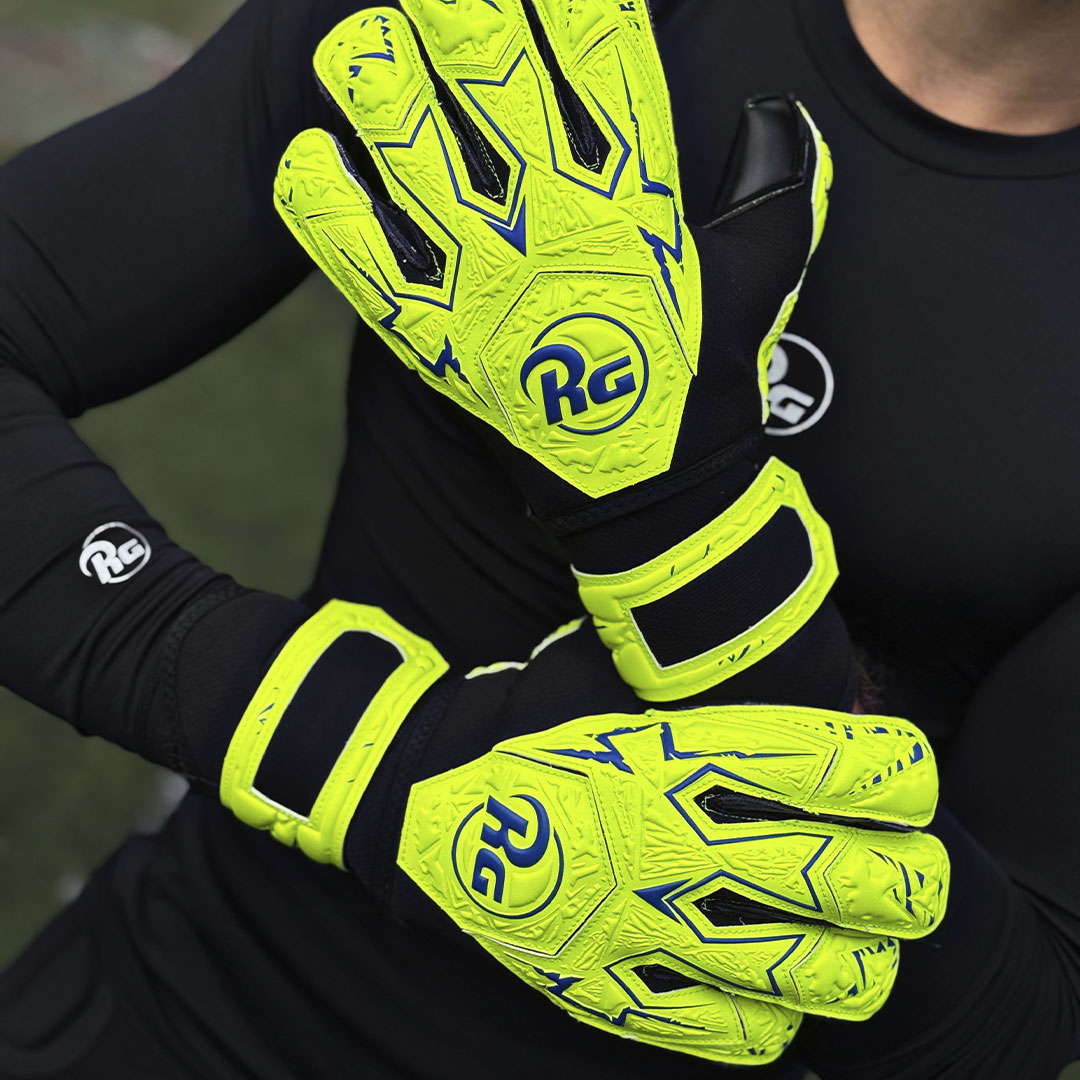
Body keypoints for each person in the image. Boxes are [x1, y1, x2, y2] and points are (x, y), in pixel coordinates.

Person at [0, 1, 1076, 1077]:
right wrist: (368, 761)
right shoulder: (519, 19)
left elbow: (1015, 1021)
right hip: (187, 1003)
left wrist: (675, 499)